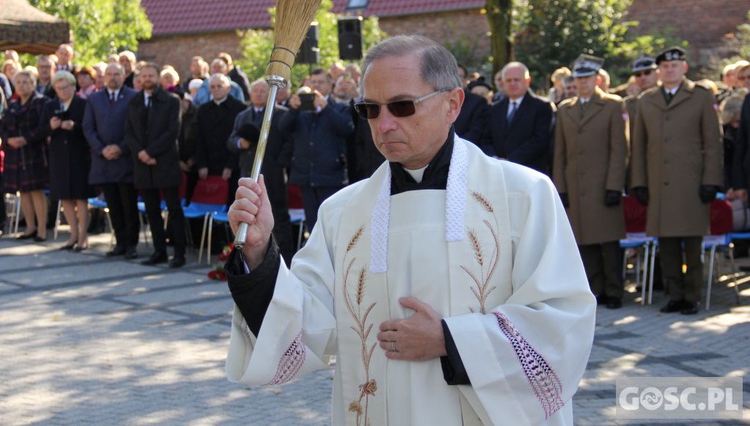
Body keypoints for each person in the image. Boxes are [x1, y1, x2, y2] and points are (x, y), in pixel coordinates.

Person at [223, 36, 595, 425]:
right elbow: (303, 326)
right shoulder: (343, 213)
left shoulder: (522, 196)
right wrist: (260, 250)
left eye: (402, 106)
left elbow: (562, 321)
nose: (384, 124)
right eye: (370, 109)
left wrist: (451, 341)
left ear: (452, 104)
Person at [631, 46, 723, 315]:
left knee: (692, 245)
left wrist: (711, 181)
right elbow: (639, 146)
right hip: (659, 183)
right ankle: (674, 294)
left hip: (691, 182)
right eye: (664, 67)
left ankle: (692, 295)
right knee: (667, 244)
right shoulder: (647, 100)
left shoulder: (701, 97)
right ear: (659, 71)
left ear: (684, 67)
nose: (669, 70)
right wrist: (639, 182)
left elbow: (713, 143)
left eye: (674, 65)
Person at [553, 54, 628, 309]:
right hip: (576, 185)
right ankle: (594, 290)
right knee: (584, 242)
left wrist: (614, 185)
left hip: (603, 183)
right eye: (579, 79)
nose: (583, 83)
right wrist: (560, 188)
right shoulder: (565, 109)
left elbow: (620, 149)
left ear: (596, 79)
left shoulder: (612, 105)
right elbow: (560, 153)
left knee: (608, 242)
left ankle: (615, 291)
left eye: (587, 78)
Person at [125, 62, 187, 269]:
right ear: (139, 79)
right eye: (144, 76)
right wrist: (141, 154)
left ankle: (179, 253)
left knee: (173, 209)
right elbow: (129, 132)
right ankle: (159, 251)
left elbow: (172, 131)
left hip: (165, 162)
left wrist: (151, 152)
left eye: (151, 75)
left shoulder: (171, 100)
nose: (147, 79)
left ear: (158, 77)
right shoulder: (134, 101)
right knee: (151, 210)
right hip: (142, 165)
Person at [227, 78, 295, 262]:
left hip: (273, 174)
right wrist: (241, 142)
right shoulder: (242, 115)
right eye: (255, 91)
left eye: (262, 91)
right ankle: (255, 259)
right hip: (247, 172)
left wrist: (279, 161)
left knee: (278, 216)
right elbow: (231, 140)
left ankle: (285, 260)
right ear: (249, 94)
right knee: (249, 215)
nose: (258, 94)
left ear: (270, 94)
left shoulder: (281, 114)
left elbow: (290, 142)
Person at [279, 68, 354, 232]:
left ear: (330, 85)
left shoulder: (339, 108)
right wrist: (293, 109)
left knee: (333, 225)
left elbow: (347, 129)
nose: (316, 85)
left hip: (330, 175)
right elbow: (283, 127)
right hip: (306, 176)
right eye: (313, 82)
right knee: (313, 225)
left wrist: (326, 108)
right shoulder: (301, 110)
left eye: (320, 82)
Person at [82, 63, 140, 258]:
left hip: (126, 162)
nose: (113, 77)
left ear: (124, 76)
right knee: (113, 205)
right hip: (104, 162)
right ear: (103, 77)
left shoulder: (133, 96)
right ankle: (120, 243)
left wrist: (121, 148)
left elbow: (137, 127)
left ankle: (132, 244)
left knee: (128, 205)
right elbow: (88, 127)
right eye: (109, 74)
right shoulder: (94, 98)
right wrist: (101, 149)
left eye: (117, 74)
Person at [43, 71, 95, 250]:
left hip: (79, 155)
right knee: (64, 196)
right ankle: (72, 235)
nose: (62, 91)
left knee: (80, 197)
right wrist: (52, 127)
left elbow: (90, 127)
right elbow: (42, 129)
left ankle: (83, 236)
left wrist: (75, 126)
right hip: (58, 156)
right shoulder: (50, 105)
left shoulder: (83, 104)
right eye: (58, 88)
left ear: (73, 87)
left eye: (65, 87)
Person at [481, 62, 555, 174]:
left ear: (527, 81)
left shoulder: (542, 107)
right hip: (499, 171)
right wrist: (494, 159)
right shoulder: (494, 109)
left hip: (529, 171)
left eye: (517, 80)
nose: (512, 84)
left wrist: (510, 160)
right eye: (508, 80)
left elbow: (540, 140)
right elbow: (486, 139)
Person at [2, 70, 49, 241]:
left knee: (36, 191)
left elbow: (44, 127)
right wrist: (9, 140)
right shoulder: (13, 105)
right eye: (18, 82)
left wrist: (25, 139)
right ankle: (30, 227)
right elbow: (4, 127)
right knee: (24, 191)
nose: (21, 85)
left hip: (34, 152)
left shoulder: (41, 102)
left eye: (25, 82)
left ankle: (42, 230)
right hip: (15, 153)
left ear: (33, 84)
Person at [194, 74, 246, 206]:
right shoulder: (203, 110)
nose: (216, 89)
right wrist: (201, 164)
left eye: (220, 86)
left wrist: (230, 166)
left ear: (228, 88)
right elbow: (199, 138)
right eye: (213, 87)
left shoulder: (239, 108)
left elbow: (239, 140)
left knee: (231, 204)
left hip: (231, 165)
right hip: (209, 164)